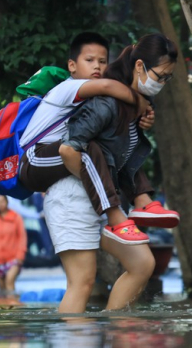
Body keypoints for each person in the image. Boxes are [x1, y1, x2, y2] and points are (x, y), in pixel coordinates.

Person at [43, 34, 179, 312]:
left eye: (168, 79)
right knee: (82, 282)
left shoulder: (134, 108)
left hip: (102, 202)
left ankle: (117, 333)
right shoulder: (104, 102)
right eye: (160, 76)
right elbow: (71, 149)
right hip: (74, 198)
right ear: (139, 67)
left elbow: (121, 160)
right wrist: (102, 194)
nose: (162, 84)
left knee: (142, 264)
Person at [18, 32, 179, 246]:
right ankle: (116, 216)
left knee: (110, 145)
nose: (98, 67)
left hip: (57, 156)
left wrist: (142, 113)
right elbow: (107, 86)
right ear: (72, 65)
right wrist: (138, 100)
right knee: (89, 148)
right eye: (89, 60)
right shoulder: (69, 87)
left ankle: (142, 200)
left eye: (103, 61)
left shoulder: (93, 95)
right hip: (35, 159)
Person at [0, 194, 27, 293]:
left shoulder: (16, 217)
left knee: (9, 281)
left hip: (13, 259)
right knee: (2, 288)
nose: (1, 204)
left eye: (2, 201)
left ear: (7, 202)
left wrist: (20, 256)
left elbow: (22, 237)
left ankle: (13, 306)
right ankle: (5, 306)